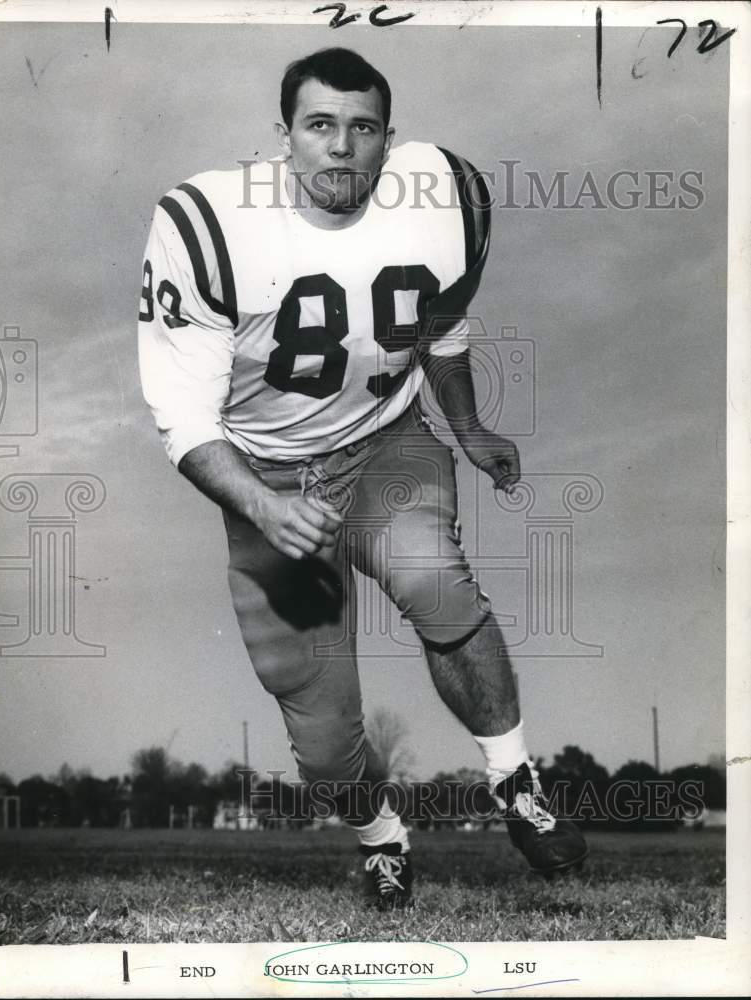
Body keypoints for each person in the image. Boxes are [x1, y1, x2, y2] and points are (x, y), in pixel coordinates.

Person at [138, 47, 587, 910]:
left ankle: (513, 781)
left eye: (362, 128)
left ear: (388, 137)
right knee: (323, 740)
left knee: (434, 581)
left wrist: (467, 425)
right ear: (284, 138)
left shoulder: (443, 197)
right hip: (263, 472)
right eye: (319, 126)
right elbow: (185, 420)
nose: (341, 148)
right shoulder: (208, 224)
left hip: (385, 442)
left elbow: (442, 324)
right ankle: (380, 836)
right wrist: (266, 507)